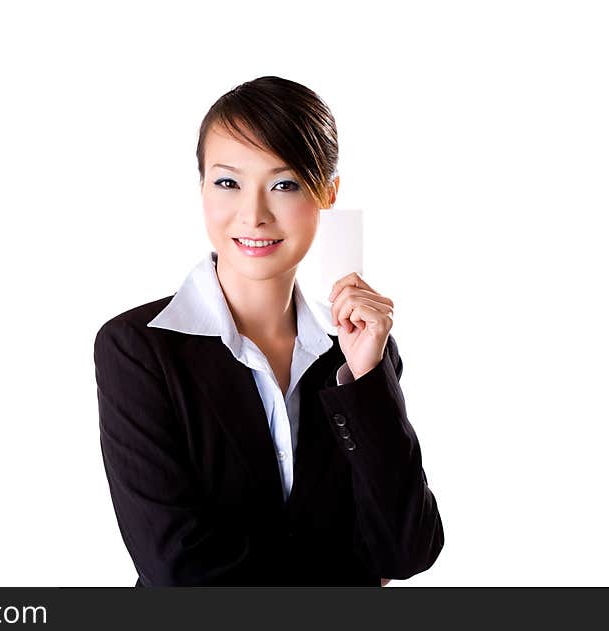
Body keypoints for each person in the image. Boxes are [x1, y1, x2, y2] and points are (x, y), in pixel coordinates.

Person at [94, 75, 444, 586]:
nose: (253, 215)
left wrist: (367, 377)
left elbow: (406, 552)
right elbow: (179, 569)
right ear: (201, 189)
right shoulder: (138, 349)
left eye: (284, 184)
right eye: (228, 182)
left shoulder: (360, 353)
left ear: (328, 194)